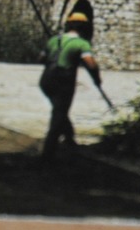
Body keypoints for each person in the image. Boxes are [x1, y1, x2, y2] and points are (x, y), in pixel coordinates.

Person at [39, 11, 102, 160]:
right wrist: (97, 79)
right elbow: (90, 63)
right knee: (59, 114)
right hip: (64, 82)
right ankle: (48, 151)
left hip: (46, 81)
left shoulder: (54, 40)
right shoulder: (81, 43)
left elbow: (41, 58)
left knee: (60, 110)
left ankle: (70, 139)